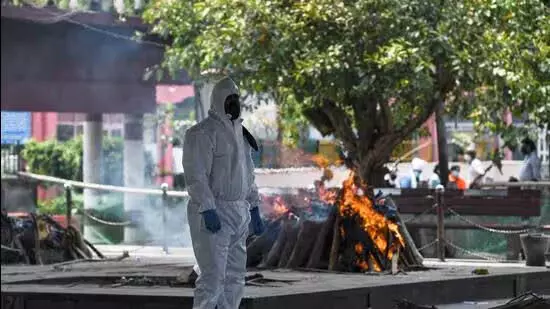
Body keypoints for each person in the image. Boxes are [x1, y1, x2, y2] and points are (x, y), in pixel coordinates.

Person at [182, 77, 265, 309]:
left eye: (236, 99)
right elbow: (196, 175)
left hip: (238, 212)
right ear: (218, 101)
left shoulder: (241, 135)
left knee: (235, 277)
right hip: (215, 211)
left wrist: (254, 206)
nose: (234, 104)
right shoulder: (202, 133)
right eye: (229, 99)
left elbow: (247, 174)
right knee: (212, 278)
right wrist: (207, 207)